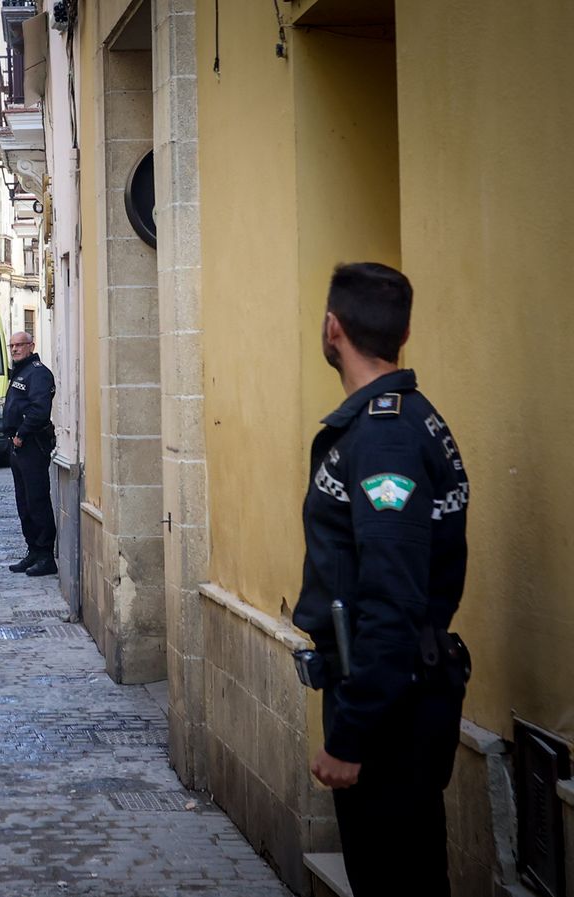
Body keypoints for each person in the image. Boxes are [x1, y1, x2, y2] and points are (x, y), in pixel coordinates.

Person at [293, 263, 470, 896]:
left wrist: (351, 735)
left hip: (391, 706)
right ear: (404, 331)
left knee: (396, 878)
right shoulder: (390, 423)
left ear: (333, 328)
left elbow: (393, 603)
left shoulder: (386, 438)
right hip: (395, 692)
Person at [4, 331, 60, 576]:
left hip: (32, 444)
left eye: (20, 345)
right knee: (23, 502)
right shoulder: (20, 371)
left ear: (31, 346)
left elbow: (40, 409)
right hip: (17, 445)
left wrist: (22, 433)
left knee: (37, 501)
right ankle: (33, 551)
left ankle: (46, 555)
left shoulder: (38, 372)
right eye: (12, 345)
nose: (15, 349)